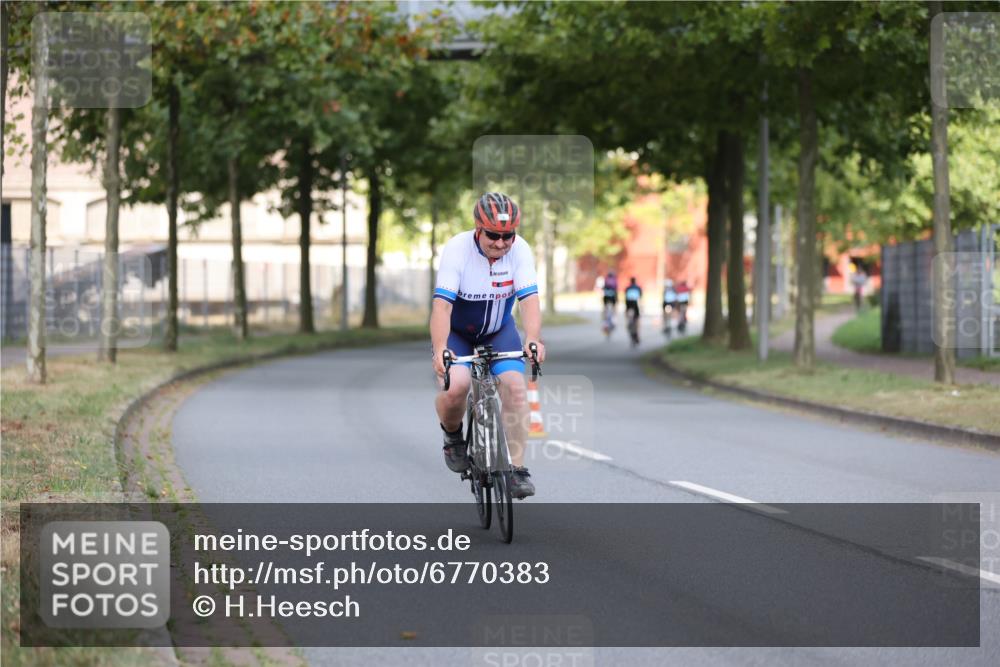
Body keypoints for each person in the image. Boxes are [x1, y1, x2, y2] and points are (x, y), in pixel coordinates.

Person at [430, 193, 546, 499]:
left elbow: (529, 300)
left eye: (508, 236)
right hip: (458, 333)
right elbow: (442, 307)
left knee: (516, 388)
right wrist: (440, 347)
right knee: (457, 386)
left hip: (498, 330)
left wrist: (533, 338)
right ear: (478, 230)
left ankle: (516, 470)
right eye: (493, 235)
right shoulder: (458, 249)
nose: (500, 243)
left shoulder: (519, 250)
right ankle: (452, 434)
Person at [624, 277, 642, 345]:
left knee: (628, 320)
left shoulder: (627, 288)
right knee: (637, 321)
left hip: (629, 307)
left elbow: (625, 298)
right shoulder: (638, 288)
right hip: (635, 306)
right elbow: (640, 298)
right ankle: (636, 333)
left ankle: (630, 329)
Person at [601, 270, 618, 335]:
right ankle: (614, 320)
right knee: (614, 308)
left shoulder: (606, 280)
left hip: (606, 297)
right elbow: (616, 288)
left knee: (605, 309)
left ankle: (604, 321)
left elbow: (603, 288)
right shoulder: (614, 280)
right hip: (613, 296)